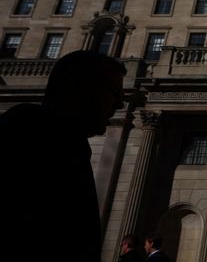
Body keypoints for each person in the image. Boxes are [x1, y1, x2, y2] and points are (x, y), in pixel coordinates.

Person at [0, 50, 126, 262]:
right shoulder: (32, 140)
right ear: (82, 88)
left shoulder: (68, 142)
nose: (120, 104)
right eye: (114, 92)